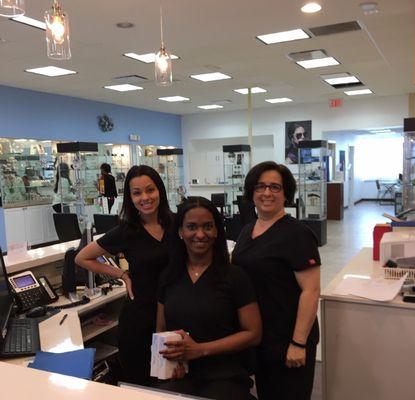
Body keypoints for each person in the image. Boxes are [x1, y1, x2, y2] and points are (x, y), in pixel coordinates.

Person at [75, 165, 173, 385]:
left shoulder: (177, 224)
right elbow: (82, 258)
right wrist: (122, 274)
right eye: (137, 193)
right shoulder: (126, 231)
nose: (145, 197)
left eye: (150, 190)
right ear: (130, 197)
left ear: (160, 190)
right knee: (141, 386)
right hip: (139, 320)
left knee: (174, 383)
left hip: (175, 314)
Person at [155, 197, 262, 400]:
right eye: (192, 227)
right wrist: (171, 363)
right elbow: (161, 329)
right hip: (182, 375)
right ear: (180, 232)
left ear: (217, 231)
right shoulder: (169, 277)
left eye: (208, 227)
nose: (200, 234)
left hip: (225, 376)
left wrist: (200, 350)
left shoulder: (234, 276)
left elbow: (253, 333)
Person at [232, 161, 321, 400]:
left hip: (289, 338)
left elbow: (311, 291)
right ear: (251, 192)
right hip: (261, 336)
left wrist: (299, 343)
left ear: (286, 194)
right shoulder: (247, 230)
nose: (267, 193)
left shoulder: (298, 234)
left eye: (275, 187)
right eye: (260, 187)